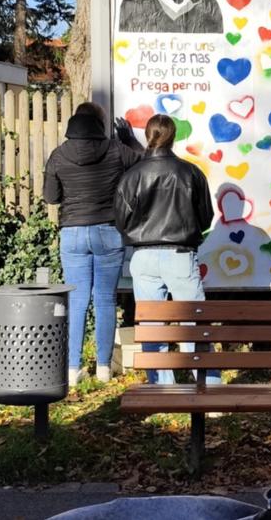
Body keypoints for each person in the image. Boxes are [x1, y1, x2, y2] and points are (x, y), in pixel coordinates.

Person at [114, 113, 221, 385]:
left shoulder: (131, 175)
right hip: (180, 254)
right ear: (173, 137)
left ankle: (162, 388)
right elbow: (205, 216)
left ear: (148, 136)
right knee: (194, 323)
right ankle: (208, 385)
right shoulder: (191, 172)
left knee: (152, 328)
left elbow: (121, 220)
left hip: (144, 256)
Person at [43, 102, 142, 385]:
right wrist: (129, 139)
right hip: (108, 230)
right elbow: (147, 162)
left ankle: (72, 369)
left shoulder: (58, 154)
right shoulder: (116, 149)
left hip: (73, 233)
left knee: (76, 300)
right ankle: (103, 368)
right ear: (100, 123)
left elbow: (51, 197)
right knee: (105, 299)